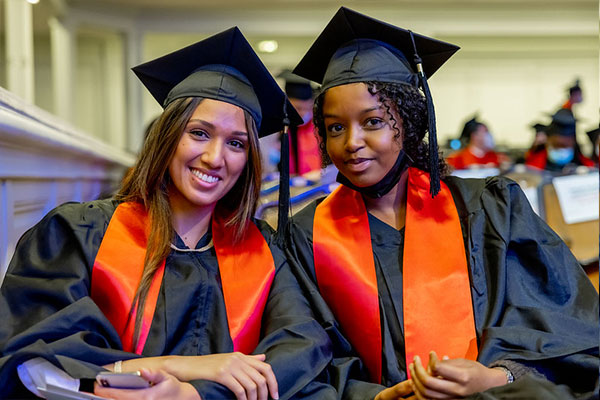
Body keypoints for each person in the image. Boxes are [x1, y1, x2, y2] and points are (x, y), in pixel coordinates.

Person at [0, 27, 334, 400]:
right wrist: (177, 366)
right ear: (168, 136)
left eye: (236, 143)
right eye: (199, 133)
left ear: (249, 161)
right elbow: (31, 358)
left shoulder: (263, 251)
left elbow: (302, 347)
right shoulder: (80, 233)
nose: (214, 157)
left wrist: (195, 394)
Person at [287, 7, 599, 400]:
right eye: (335, 127)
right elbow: (303, 355)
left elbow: (568, 328)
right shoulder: (304, 236)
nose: (351, 142)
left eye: (372, 121)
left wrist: (498, 375)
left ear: (411, 122)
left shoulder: (490, 210)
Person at [279, 69, 322, 177]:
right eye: (297, 108)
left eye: (306, 108)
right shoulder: (280, 126)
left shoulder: (318, 125)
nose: (302, 113)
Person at [525, 109, 594, 172]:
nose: (561, 150)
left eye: (565, 146)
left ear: (573, 143)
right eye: (556, 145)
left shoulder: (588, 168)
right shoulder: (533, 167)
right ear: (547, 141)